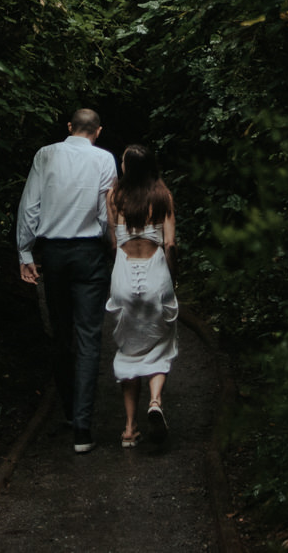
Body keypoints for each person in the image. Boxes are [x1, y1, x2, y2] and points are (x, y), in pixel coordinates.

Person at [16, 108, 117, 453]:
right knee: (90, 337)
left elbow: (30, 206)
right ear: (98, 131)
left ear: (69, 127)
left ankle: (72, 412)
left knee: (61, 333)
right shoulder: (105, 160)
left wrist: (25, 253)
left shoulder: (45, 155)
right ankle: (83, 430)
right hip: (89, 253)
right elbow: (106, 215)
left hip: (54, 254)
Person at [105, 143, 178, 446]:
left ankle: (129, 429)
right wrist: (171, 279)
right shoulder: (163, 196)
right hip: (155, 275)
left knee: (128, 348)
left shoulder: (114, 196)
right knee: (160, 342)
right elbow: (170, 244)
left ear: (128, 168)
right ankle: (156, 401)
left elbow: (113, 242)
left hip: (123, 277)